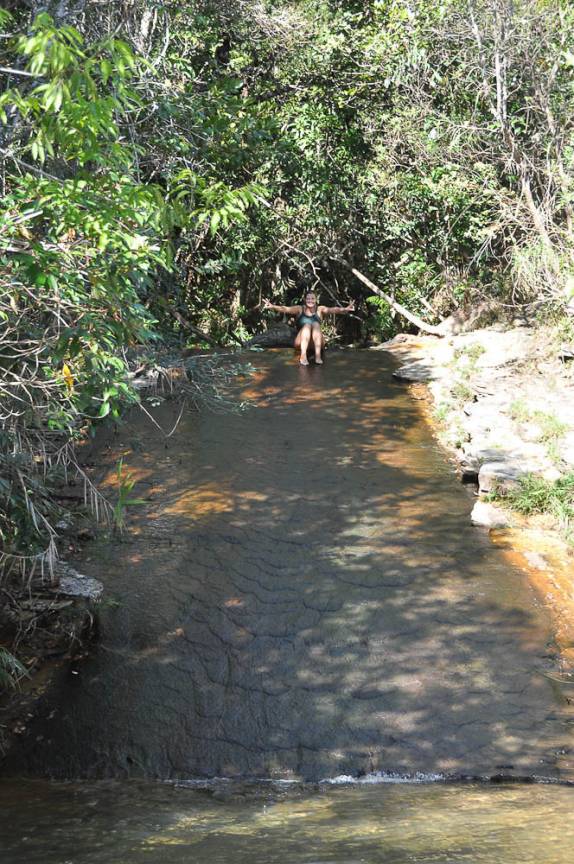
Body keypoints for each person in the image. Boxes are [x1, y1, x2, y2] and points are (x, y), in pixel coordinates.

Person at [262, 291, 355, 365]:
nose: (310, 300)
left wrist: (345, 309)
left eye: (312, 298)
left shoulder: (320, 309)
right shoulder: (299, 309)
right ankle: (303, 356)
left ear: (316, 300)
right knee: (306, 326)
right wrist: (272, 306)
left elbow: (333, 309)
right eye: (308, 298)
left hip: (317, 343)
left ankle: (318, 356)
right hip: (301, 342)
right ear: (305, 299)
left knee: (316, 324)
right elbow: (286, 309)